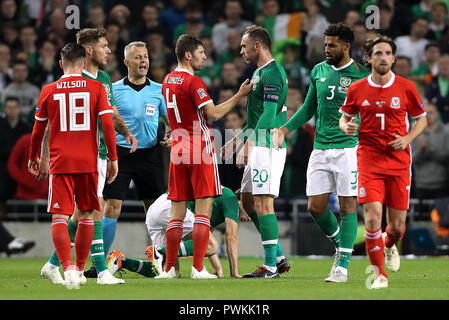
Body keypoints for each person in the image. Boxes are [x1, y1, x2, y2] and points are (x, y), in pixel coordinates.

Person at [40, 28, 136, 286]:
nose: (109, 50)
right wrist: (44, 156)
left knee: (82, 212)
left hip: (101, 152)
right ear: (88, 51)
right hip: (83, 154)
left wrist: (126, 133)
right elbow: (51, 125)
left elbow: (111, 113)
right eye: (104, 46)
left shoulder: (103, 78)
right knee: (94, 210)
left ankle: (53, 265)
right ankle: (100, 270)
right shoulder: (78, 79)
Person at [275, 23, 370, 282]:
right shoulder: (318, 70)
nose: (327, 49)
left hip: (348, 149)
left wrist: (358, 128)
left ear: (346, 46)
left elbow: (367, 114)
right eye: (326, 44)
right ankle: (342, 245)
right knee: (315, 207)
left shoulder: (362, 76)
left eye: (332, 45)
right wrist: (285, 129)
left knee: (347, 205)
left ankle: (343, 267)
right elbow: (307, 109)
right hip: (320, 148)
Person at [158, 34, 252, 279]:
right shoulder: (193, 81)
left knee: (176, 213)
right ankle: (198, 268)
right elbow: (215, 113)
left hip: (178, 148)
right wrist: (240, 95)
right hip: (199, 147)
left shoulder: (168, 80)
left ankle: (169, 269)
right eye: (201, 52)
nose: (205, 56)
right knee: (203, 212)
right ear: (188, 55)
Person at [28, 42, 119, 290]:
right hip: (88, 162)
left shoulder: (48, 90)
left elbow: (38, 130)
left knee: (60, 216)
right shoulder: (97, 87)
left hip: (60, 162)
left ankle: (67, 268)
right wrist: (113, 158)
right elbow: (108, 126)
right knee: (88, 215)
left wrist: (33, 156)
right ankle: (79, 269)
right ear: (83, 63)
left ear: (61, 64)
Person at [339, 35, 427, 289]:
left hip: (399, 161)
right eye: (378, 53)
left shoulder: (406, 87)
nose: (384, 58)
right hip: (368, 158)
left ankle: (389, 244)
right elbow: (344, 118)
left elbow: (421, 119)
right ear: (369, 58)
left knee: (397, 227)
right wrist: (347, 127)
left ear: (393, 58)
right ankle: (379, 275)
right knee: (373, 217)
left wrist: (408, 138)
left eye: (388, 53)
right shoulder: (356, 89)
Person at [222, 24, 289, 279]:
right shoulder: (259, 74)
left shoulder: (273, 74)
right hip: (258, 142)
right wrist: (238, 138)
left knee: (263, 203)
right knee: (249, 200)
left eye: (243, 45)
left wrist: (249, 144)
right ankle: (280, 257)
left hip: (268, 145)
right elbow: (256, 116)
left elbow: (270, 115)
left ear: (257, 46)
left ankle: (270, 266)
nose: (241, 50)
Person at [101, 41, 169, 270]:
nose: (144, 61)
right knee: (111, 206)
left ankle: (159, 260)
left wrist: (171, 134)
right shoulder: (114, 89)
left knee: (155, 209)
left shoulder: (159, 90)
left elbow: (170, 121)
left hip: (149, 154)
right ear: (126, 62)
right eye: (138, 57)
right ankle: (100, 262)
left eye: (146, 57)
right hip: (120, 154)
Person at [108, 186, 241, 278]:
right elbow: (231, 237)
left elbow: (202, 238)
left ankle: (121, 261)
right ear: (240, 200)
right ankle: (160, 250)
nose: (249, 218)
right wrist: (234, 273)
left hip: (157, 208)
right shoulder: (231, 199)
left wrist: (218, 268)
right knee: (212, 246)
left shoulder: (218, 201)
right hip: (173, 207)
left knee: (167, 271)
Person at [411, 103, 449, 200]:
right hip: (420, 185)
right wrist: (422, 149)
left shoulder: (446, 132)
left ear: (437, 114)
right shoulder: (415, 132)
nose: (427, 116)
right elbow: (413, 159)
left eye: (431, 112)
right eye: (425, 113)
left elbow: (446, 158)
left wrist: (429, 149)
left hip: (441, 185)